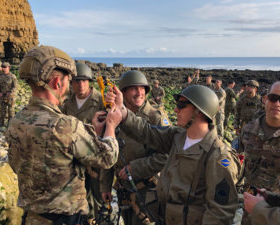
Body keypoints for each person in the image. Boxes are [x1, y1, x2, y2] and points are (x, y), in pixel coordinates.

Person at [6, 45, 121, 225]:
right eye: (69, 80)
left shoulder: (16, 122)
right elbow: (108, 157)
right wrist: (111, 126)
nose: (71, 86)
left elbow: (18, 165)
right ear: (57, 83)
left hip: (31, 218)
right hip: (66, 219)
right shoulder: (66, 125)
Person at [107, 84, 242, 225]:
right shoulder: (177, 137)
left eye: (182, 105)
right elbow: (147, 132)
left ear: (200, 112)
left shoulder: (218, 156)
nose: (176, 109)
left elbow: (219, 214)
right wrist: (122, 111)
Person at [100, 70, 170, 225]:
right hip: (123, 192)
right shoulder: (114, 115)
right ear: (123, 92)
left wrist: (135, 168)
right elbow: (107, 151)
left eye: (142, 88)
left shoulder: (155, 117)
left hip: (148, 192)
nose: (139, 92)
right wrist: (105, 186)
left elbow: (166, 155)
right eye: (134, 88)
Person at [239, 81, 280, 225]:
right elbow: (239, 161)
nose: (277, 103)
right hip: (250, 207)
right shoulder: (248, 130)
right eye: (273, 98)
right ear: (265, 99)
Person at [62, 62, 105, 223]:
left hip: (96, 157)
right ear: (71, 83)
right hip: (75, 159)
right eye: (76, 81)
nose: (80, 85)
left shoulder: (100, 100)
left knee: (100, 196)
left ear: (89, 82)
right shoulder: (67, 103)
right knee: (81, 197)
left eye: (84, 81)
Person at [0, 62, 18, 127]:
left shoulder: (12, 76)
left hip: (10, 96)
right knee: (2, 110)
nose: (3, 68)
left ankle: (10, 124)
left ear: (9, 67)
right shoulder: (1, 76)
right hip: (2, 96)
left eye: (5, 67)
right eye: (2, 67)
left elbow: (15, 87)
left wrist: (10, 92)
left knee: (11, 110)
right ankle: (1, 123)